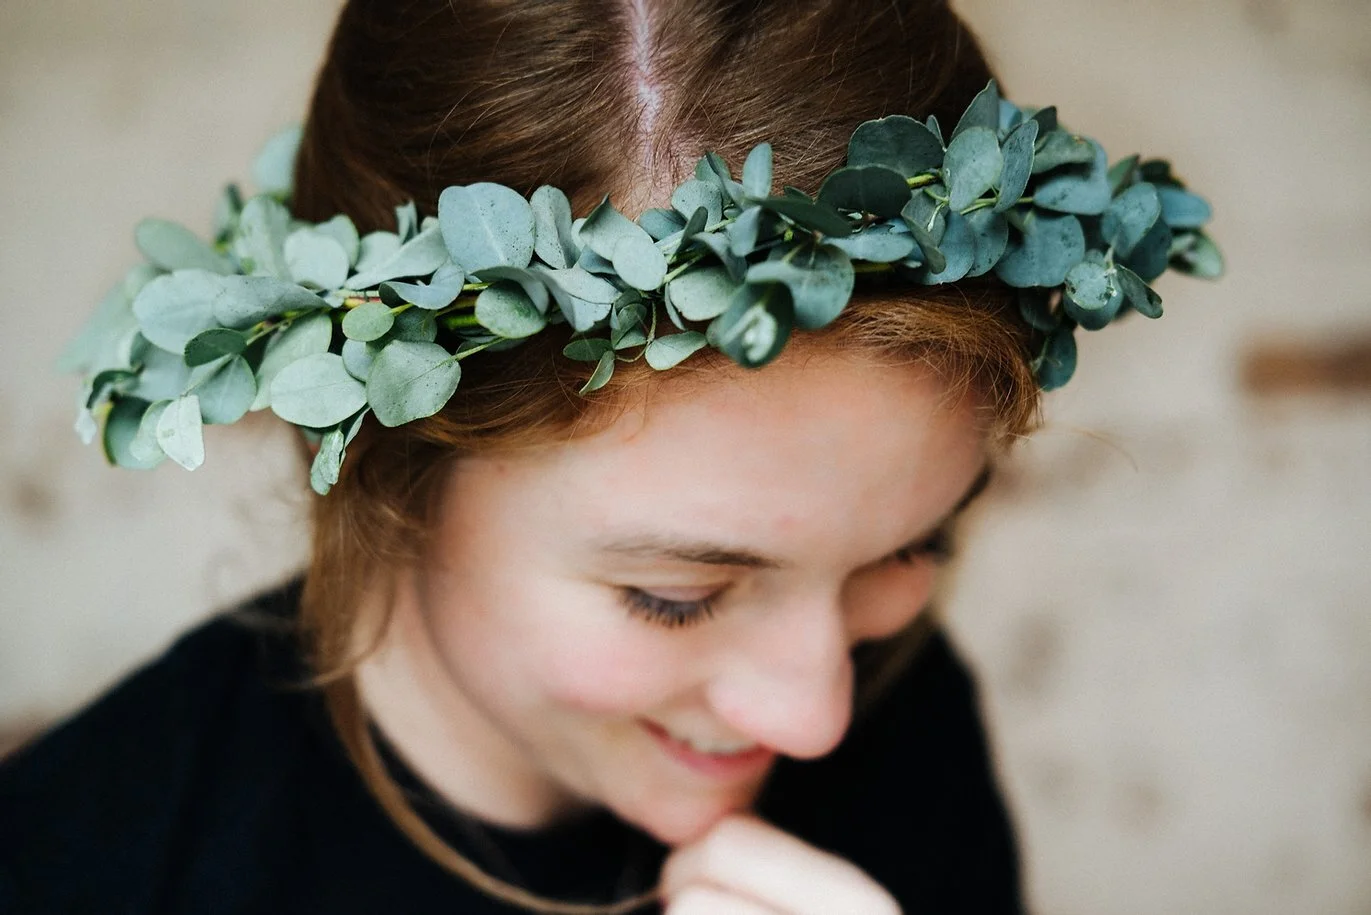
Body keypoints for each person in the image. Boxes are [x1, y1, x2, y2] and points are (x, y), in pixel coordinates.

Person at [0, 0, 1221, 912]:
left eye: (914, 545)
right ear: (389, 466)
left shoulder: (913, 725)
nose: (816, 717)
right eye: (674, 596)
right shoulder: (87, 865)